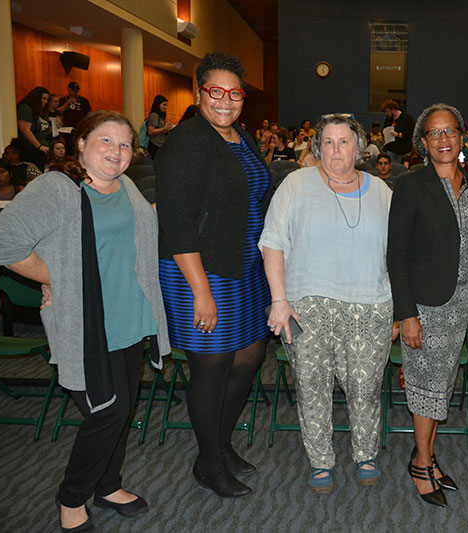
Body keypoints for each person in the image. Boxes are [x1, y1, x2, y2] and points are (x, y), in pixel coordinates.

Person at [0, 110, 170, 531]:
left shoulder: (125, 186)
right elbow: (2, 241)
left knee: (121, 411)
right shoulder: (58, 188)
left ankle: (108, 485)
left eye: (125, 144)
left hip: (129, 318)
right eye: (105, 141)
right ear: (81, 144)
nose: (116, 151)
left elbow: (140, 233)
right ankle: (71, 498)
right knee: (108, 412)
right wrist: (58, 277)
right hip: (87, 323)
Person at [156, 52, 276, 498]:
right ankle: (208, 462)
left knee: (247, 359)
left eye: (235, 93)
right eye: (215, 92)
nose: (225, 101)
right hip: (198, 271)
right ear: (199, 92)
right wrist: (201, 291)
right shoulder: (188, 139)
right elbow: (177, 219)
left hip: (242, 267)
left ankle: (221, 447)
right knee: (212, 366)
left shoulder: (239, 137)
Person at [260, 113, 393, 494]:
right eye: (329, 142)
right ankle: (321, 462)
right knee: (312, 385)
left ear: (360, 147)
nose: (337, 149)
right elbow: (273, 242)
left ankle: (365, 453)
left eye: (345, 141)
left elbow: (398, 251)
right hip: (307, 305)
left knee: (366, 387)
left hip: (370, 306)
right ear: (318, 147)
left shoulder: (382, 191)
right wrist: (278, 300)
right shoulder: (296, 184)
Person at [387, 103, 468, 507]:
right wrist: (406, 314)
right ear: (423, 142)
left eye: (451, 132)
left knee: (440, 386)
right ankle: (422, 463)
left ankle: (424, 455)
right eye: (435, 133)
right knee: (426, 388)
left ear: (462, 137)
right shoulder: (411, 184)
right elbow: (397, 255)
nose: (444, 140)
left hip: (461, 301)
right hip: (425, 306)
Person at [15, 86, 51, 168]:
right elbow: (25, 130)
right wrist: (39, 146)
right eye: (44, 98)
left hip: (41, 150)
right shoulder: (26, 108)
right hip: (31, 150)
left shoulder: (40, 112)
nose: (46, 102)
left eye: (47, 99)